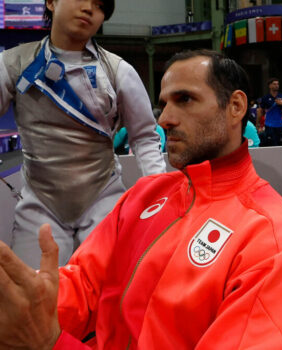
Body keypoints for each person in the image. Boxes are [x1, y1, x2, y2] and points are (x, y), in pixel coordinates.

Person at [0, 50, 282, 350]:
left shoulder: (281, 243)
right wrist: (27, 301)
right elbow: (84, 285)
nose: (164, 119)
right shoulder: (145, 196)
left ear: (236, 107)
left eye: (185, 99)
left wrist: (50, 342)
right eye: (164, 103)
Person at [0, 0, 166, 269]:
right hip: (40, 203)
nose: (89, 9)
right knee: (32, 297)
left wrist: (159, 197)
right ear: (52, 2)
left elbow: (145, 136)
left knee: (108, 296)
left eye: (99, 5)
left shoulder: (118, 70)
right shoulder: (13, 63)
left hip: (103, 197)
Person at [257, 77, 282, 146]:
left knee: (280, 145)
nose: (276, 85)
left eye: (277, 84)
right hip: (269, 126)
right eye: (274, 84)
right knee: (270, 145)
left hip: (279, 125)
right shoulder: (265, 98)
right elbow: (260, 112)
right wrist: (258, 125)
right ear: (270, 86)